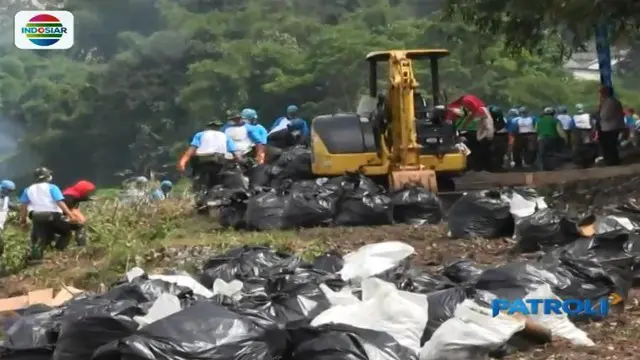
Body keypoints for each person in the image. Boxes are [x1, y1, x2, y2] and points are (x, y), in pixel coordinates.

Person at [19, 167, 79, 260]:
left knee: (40, 239)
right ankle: (58, 251)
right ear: (47, 177)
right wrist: (70, 215)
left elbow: (23, 206)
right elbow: (59, 202)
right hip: (53, 215)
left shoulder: (27, 189)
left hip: (36, 216)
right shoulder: (52, 187)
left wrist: (23, 220)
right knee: (66, 233)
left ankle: (36, 260)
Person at [177, 119, 242, 193]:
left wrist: (182, 162)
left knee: (197, 180)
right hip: (219, 163)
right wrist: (237, 160)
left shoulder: (200, 134)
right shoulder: (225, 136)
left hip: (202, 162)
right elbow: (236, 154)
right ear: (219, 127)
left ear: (207, 127)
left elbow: (191, 150)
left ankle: (195, 181)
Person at [446, 94, 494, 171]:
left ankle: (480, 165)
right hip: (481, 114)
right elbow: (470, 114)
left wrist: (464, 125)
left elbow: (471, 113)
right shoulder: (466, 100)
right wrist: (464, 126)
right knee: (484, 135)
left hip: (482, 114)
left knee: (486, 134)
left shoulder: (466, 101)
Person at [57, 180, 96, 248]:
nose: (89, 193)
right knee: (79, 225)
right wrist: (76, 217)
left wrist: (90, 199)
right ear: (83, 190)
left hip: (57, 217)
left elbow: (81, 198)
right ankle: (81, 246)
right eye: (88, 192)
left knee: (68, 231)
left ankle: (59, 249)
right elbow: (64, 210)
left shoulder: (72, 193)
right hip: (59, 218)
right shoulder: (69, 197)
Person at [598, 86, 625, 166]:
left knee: (609, 147)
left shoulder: (610, 102)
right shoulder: (612, 101)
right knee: (611, 146)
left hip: (609, 128)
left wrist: (599, 112)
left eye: (601, 92)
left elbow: (605, 116)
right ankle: (612, 161)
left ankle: (611, 162)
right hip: (612, 127)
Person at [489, 105, 508, 171]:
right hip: (499, 137)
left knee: (497, 152)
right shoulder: (502, 119)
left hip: (496, 136)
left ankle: (496, 166)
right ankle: (497, 166)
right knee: (498, 152)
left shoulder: (492, 120)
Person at [0, 180, 16, 254]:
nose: (9, 192)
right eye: (9, 190)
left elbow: (9, 205)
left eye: (11, 191)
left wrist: (20, 209)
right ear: (3, 188)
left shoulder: (6, 197)